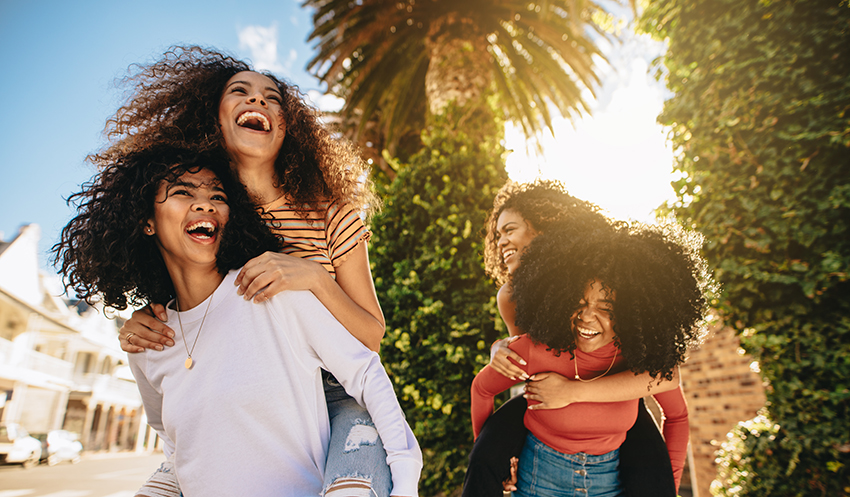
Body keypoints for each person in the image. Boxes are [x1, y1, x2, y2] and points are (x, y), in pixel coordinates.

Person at [98, 46, 394, 495]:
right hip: (245, 397)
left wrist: (313, 277)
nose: (257, 102)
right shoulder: (212, 213)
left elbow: (372, 335)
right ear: (213, 119)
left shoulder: (333, 213)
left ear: (287, 128)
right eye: (240, 92)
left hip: (339, 395)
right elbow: (198, 301)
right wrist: (144, 319)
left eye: (272, 98)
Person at [53, 146, 421, 496]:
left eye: (218, 196)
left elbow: (367, 373)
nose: (204, 204)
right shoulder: (148, 343)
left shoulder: (271, 293)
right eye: (182, 192)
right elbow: (169, 436)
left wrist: (406, 482)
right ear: (146, 221)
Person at [463, 180, 684, 496]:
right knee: (487, 454)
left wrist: (574, 392)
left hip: (617, 397)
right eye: (497, 234)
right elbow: (529, 357)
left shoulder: (599, 271)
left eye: (509, 230)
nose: (501, 241)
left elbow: (667, 379)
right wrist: (500, 348)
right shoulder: (511, 296)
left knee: (653, 470)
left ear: (544, 229)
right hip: (549, 400)